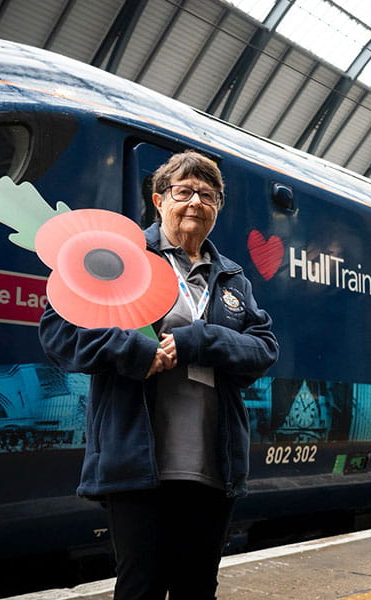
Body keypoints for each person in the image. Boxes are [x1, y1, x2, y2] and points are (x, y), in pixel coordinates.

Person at [39, 150, 279, 600]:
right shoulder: (120, 255)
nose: (196, 203)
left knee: (197, 588)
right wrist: (133, 350)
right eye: (183, 192)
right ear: (158, 199)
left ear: (218, 207)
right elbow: (61, 333)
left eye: (207, 195)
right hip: (137, 461)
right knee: (141, 587)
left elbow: (264, 349)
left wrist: (199, 340)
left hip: (212, 466)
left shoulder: (232, 279)